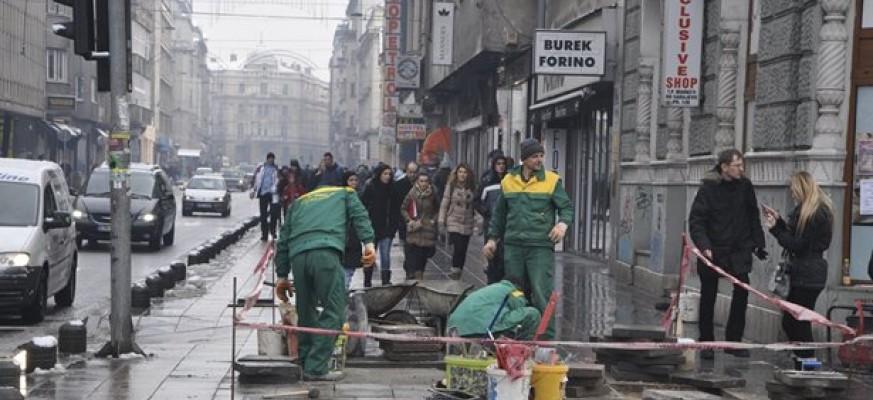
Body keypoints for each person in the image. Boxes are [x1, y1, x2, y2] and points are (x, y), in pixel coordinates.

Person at [274, 185, 376, 381]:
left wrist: (282, 276)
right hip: (325, 253)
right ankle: (316, 366)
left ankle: (304, 362)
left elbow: (283, 238)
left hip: (298, 257)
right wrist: (369, 243)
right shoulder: (345, 193)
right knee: (335, 310)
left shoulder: (299, 203)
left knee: (306, 312)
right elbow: (360, 216)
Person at [483, 139, 573, 339]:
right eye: (535, 156)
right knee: (515, 294)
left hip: (539, 246)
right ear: (524, 159)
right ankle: (518, 335)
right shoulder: (508, 181)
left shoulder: (551, 181)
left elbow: (566, 208)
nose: (539, 160)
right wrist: (492, 240)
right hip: (514, 246)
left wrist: (562, 225)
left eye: (541, 155)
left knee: (542, 293)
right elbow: (499, 215)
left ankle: (546, 341)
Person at [689, 148, 767, 360]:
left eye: (742, 165)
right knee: (708, 296)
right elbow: (696, 221)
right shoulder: (708, 189)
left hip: (738, 250)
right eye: (737, 165)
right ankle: (706, 342)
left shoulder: (745, 187)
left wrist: (758, 244)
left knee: (741, 292)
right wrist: (704, 245)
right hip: (713, 251)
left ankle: (733, 341)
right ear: (724, 167)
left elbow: (753, 216)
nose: (742, 169)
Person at [763, 171, 833, 360]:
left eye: (793, 190)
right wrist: (779, 222)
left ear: (802, 189)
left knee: (797, 322)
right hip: (809, 273)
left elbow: (798, 245)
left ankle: (807, 364)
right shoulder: (812, 211)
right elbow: (798, 237)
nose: (792, 194)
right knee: (794, 321)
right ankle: (803, 362)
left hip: (806, 274)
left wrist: (776, 230)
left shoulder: (813, 213)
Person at [447, 276, 541, 339]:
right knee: (533, 313)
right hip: (479, 329)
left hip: (454, 329)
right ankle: (524, 346)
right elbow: (520, 305)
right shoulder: (513, 290)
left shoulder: (492, 288)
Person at [361, 165, 400, 287]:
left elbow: (395, 209)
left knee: (385, 256)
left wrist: (393, 227)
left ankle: (386, 281)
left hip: (387, 228)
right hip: (372, 228)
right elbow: (363, 206)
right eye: (385, 174)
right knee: (370, 256)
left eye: (389, 174)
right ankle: (367, 281)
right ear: (379, 174)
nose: (387, 176)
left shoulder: (393, 189)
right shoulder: (370, 187)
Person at [438, 163, 477, 280]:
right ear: (456, 173)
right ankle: (454, 269)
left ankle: (458, 271)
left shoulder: (472, 187)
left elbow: (475, 206)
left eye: (465, 172)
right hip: (453, 220)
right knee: (458, 246)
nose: (462, 175)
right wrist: (441, 221)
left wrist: (478, 223)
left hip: (467, 221)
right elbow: (444, 204)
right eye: (460, 172)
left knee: (463, 249)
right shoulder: (451, 186)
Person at [476, 153, 508, 283]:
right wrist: (486, 211)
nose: (501, 167)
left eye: (503, 164)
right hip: (490, 224)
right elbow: (477, 200)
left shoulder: (510, 182)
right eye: (498, 164)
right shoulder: (487, 182)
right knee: (492, 253)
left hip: (507, 225)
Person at [401, 173, 439, 280]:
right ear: (417, 182)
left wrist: (433, 220)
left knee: (422, 260)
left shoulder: (433, 194)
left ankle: (418, 282)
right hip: (414, 230)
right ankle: (412, 275)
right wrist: (409, 220)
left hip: (427, 230)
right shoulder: (412, 194)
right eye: (421, 181)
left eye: (425, 181)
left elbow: (437, 209)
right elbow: (403, 208)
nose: (423, 183)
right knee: (411, 257)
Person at [342, 171, 364, 290]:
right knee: (344, 272)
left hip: (354, 239)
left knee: (349, 271)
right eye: (351, 180)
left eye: (355, 180)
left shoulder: (360, 196)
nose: (354, 183)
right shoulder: (340, 198)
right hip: (342, 239)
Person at [250, 152, 281, 241]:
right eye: (270, 159)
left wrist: (275, 188)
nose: (271, 160)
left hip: (273, 194)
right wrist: (254, 190)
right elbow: (256, 180)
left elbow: (278, 180)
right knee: (263, 215)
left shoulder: (276, 169)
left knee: (274, 214)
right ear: (267, 159)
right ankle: (264, 234)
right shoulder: (261, 168)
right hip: (263, 193)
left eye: (273, 159)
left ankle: (273, 231)